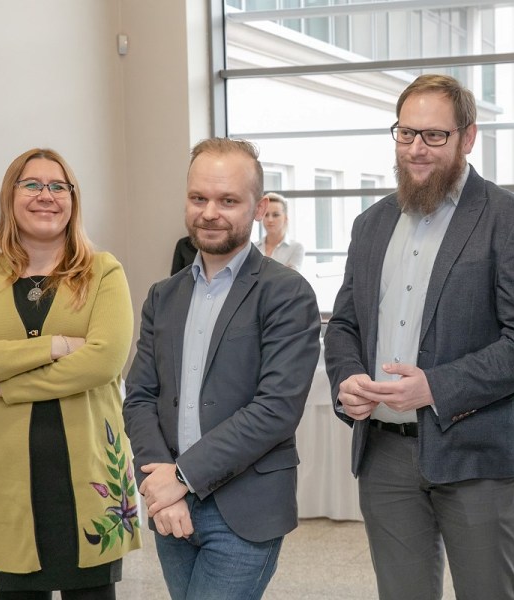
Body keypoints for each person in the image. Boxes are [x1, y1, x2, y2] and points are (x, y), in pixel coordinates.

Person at [323, 74, 514, 600]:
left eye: (433, 135)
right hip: (384, 454)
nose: (416, 149)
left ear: (467, 138)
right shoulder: (370, 224)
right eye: (406, 134)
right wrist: (347, 378)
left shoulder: (513, 220)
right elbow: (344, 325)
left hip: (477, 454)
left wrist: (435, 387)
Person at [123, 137, 321, 600]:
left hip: (243, 510)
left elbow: (275, 409)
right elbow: (140, 396)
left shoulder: (286, 293)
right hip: (170, 507)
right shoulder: (163, 296)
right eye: (199, 198)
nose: (210, 212)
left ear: (259, 208)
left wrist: (180, 478)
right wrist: (159, 481)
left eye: (228, 201)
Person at [0, 148, 139, 600]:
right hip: (5, 481)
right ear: (10, 196)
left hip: (89, 478)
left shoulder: (103, 271)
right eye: (31, 184)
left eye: (58, 186)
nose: (45, 195)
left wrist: (4, 381)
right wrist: (56, 345)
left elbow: (105, 361)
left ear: (72, 199)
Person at [254, 192, 305, 270]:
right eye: (266, 215)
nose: (270, 220)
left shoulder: (296, 248)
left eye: (275, 215)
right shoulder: (253, 248)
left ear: (285, 218)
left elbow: (290, 277)